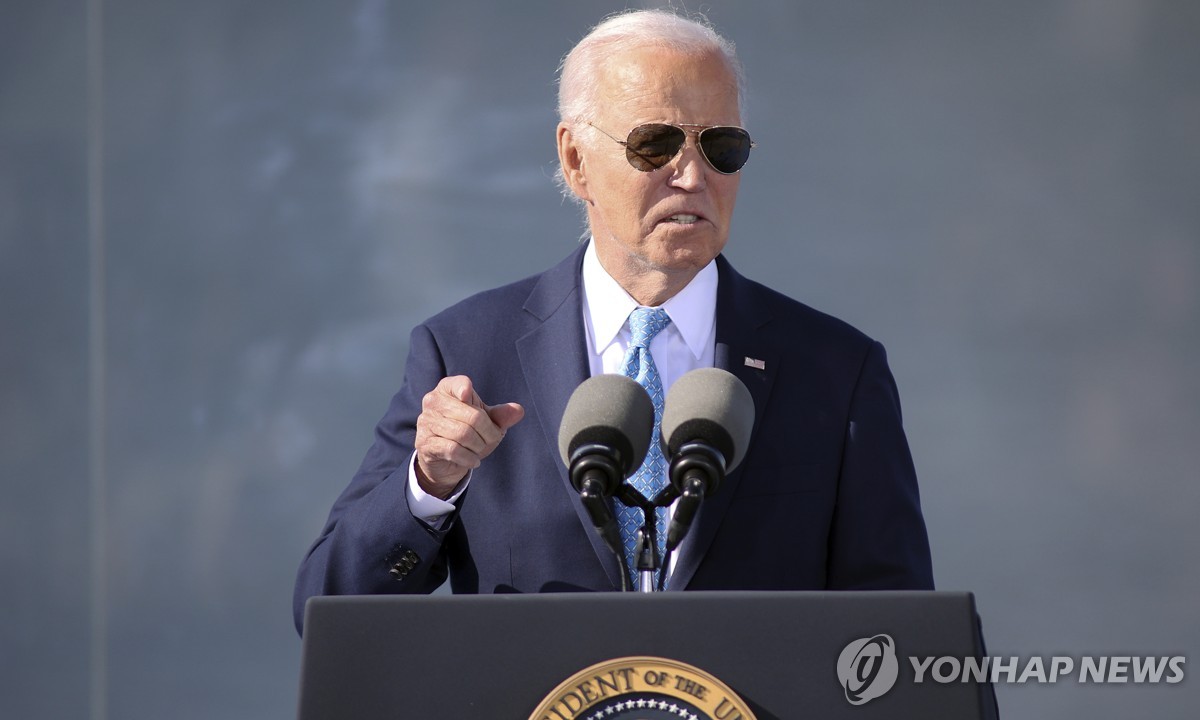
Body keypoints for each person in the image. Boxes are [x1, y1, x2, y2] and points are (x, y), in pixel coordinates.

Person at [294, 9, 933, 634]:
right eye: (655, 144)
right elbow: (327, 607)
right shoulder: (464, 352)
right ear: (576, 160)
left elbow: (902, 633)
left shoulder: (834, 370)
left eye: (722, 147)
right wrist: (429, 483)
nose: (691, 176)